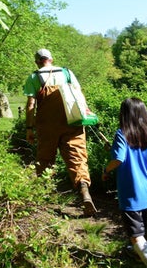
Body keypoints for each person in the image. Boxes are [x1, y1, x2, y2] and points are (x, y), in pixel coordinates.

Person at [102, 97, 147, 268]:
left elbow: (118, 159)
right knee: (140, 229)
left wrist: (106, 171)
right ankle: (136, 252)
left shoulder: (122, 133)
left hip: (130, 193)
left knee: (136, 233)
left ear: (124, 114)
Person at [23, 48, 98, 216]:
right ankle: (84, 191)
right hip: (73, 122)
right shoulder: (67, 72)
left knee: (45, 159)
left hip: (47, 125)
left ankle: (42, 201)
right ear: (51, 59)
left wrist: (29, 128)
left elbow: (30, 106)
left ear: (37, 61)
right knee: (77, 158)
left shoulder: (35, 77)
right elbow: (79, 94)